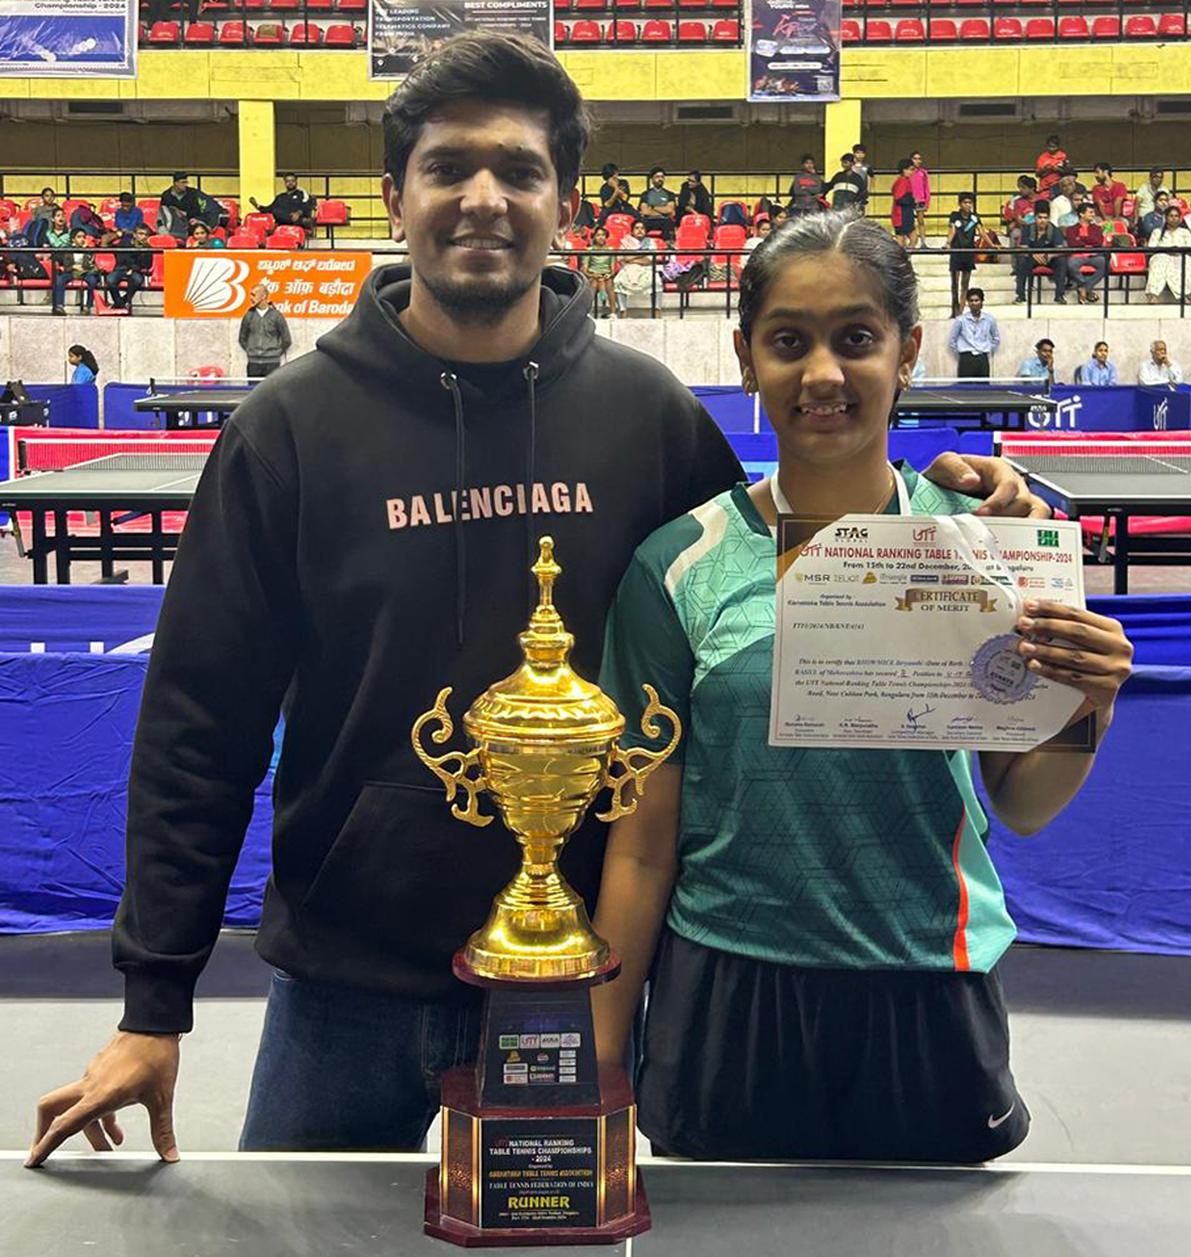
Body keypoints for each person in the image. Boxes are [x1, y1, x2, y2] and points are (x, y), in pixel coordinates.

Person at [24, 32, 1043, 1170]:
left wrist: (951, 525)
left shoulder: (650, 418)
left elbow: (774, 595)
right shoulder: (287, 431)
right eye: (448, 167)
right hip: (344, 987)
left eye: (519, 170)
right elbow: (197, 726)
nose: (484, 198)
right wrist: (151, 1003)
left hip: (581, 979)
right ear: (394, 196)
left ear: (564, 203)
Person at [590, 209, 1133, 1163]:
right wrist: (596, 1055)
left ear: (907, 352)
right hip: (728, 987)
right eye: (788, 342)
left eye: (856, 339)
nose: (824, 374)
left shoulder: (991, 542)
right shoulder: (676, 567)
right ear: (746, 358)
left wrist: (1091, 703)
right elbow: (641, 846)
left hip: (928, 978)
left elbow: (1024, 803)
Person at [1144, 206, 1191, 306]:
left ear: (1180, 218)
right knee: (1158, 261)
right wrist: (1167, 250)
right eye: (1171, 216)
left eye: (1176, 216)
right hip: (1162, 256)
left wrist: (1178, 250)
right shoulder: (1157, 232)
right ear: (1166, 217)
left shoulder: (1185, 232)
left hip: (1180, 256)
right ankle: (1153, 295)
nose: (1174, 218)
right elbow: (1151, 249)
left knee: (1187, 261)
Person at [1015, 202, 1066, 304]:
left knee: (1061, 261)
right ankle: (1021, 296)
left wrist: (1050, 255)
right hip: (1032, 257)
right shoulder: (1027, 229)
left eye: (1045, 218)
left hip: (1049, 258)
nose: (1042, 220)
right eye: (1040, 217)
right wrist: (1033, 254)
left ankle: (1059, 296)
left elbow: (1060, 249)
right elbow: (1023, 247)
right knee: (1021, 261)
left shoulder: (1054, 230)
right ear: (1035, 217)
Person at [238, 283, 293, 377]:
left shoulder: (276, 316)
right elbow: (242, 338)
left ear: (263, 296)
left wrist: (275, 353)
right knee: (254, 387)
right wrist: (251, 351)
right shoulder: (249, 315)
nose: (251, 298)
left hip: (272, 364)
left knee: (272, 387)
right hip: (253, 363)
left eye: (254, 295)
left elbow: (287, 340)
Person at [947, 287, 999, 379]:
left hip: (982, 358)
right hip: (966, 358)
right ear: (968, 303)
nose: (974, 303)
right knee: (965, 386)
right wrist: (962, 352)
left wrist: (986, 348)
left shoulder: (989, 319)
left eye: (976, 300)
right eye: (971, 301)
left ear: (982, 302)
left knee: (983, 386)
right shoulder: (961, 320)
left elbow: (996, 338)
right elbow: (952, 340)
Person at [612, 218, 658, 317]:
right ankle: (623, 311)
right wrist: (641, 254)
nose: (640, 230)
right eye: (637, 228)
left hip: (646, 268)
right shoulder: (625, 242)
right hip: (628, 268)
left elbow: (649, 260)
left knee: (657, 282)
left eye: (642, 228)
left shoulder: (650, 242)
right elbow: (622, 258)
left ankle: (657, 311)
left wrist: (631, 258)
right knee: (618, 281)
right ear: (632, 231)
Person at [51, 227, 103, 314]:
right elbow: (65, 265)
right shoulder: (67, 250)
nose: (82, 239)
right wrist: (73, 267)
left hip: (85, 272)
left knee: (92, 281)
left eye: (83, 237)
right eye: (79, 237)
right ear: (73, 239)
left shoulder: (89, 250)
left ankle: (88, 307)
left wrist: (86, 250)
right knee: (60, 280)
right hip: (71, 272)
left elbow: (90, 265)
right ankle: (59, 306)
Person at [1064, 202, 1108, 304]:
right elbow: (1073, 243)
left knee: (1105, 264)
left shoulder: (1097, 229)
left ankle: (1084, 288)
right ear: (1081, 214)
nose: (1093, 214)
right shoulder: (1071, 229)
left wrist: (1082, 239)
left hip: (1094, 255)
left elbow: (1098, 242)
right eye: (1090, 212)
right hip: (1077, 256)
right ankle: (1086, 288)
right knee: (1070, 264)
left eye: (1093, 212)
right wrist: (1089, 242)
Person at [946, 192, 981, 313]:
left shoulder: (975, 217)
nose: (968, 205)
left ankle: (960, 311)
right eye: (965, 202)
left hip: (969, 252)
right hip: (956, 251)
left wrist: (992, 245)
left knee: (965, 284)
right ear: (960, 204)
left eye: (970, 202)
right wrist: (947, 243)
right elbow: (952, 230)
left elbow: (981, 231)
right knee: (954, 284)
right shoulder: (954, 216)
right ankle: (954, 310)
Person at [106, 223, 154, 309]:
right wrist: (130, 267)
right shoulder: (124, 243)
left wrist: (134, 268)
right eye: (141, 234)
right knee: (110, 279)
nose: (144, 237)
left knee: (137, 280)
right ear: (134, 234)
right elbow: (120, 259)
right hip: (121, 269)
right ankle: (119, 302)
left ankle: (124, 301)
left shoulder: (148, 248)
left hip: (136, 271)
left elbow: (148, 264)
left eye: (146, 234)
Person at [250, 173, 316, 234]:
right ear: (285, 182)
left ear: (296, 181)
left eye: (292, 181)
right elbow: (269, 209)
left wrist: (299, 213)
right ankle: (298, 221)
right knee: (275, 211)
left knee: (302, 217)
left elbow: (308, 205)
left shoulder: (302, 193)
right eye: (288, 181)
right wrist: (257, 206)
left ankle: (301, 221)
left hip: (297, 219)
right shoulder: (280, 197)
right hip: (284, 221)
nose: (290, 183)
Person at [582, 223, 616, 316]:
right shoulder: (589, 250)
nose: (601, 237)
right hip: (593, 275)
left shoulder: (611, 250)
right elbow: (585, 270)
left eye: (603, 235)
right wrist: (593, 275)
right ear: (594, 237)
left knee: (609, 284)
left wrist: (609, 275)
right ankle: (588, 312)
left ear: (606, 237)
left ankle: (613, 313)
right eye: (598, 235)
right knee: (594, 283)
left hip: (606, 275)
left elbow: (612, 269)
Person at [637, 167, 675, 238]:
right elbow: (645, 211)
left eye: (662, 177)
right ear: (652, 179)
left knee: (669, 224)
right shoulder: (645, 194)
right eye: (657, 177)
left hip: (664, 220)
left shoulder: (670, 194)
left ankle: (666, 244)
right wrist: (663, 210)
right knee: (641, 225)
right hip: (649, 220)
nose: (660, 179)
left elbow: (669, 210)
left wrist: (652, 207)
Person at [597, 162, 635, 227]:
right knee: (603, 215)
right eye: (611, 176)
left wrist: (616, 187)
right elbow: (607, 205)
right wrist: (615, 192)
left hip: (624, 207)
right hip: (611, 209)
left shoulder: (623, 183)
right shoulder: (604, 188)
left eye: (615, 174)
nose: (615, 177)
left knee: (636, 214)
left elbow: (625, 198)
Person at [890, 158, 916, 249]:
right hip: (901, 214)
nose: (910, 172)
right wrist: (912, 200)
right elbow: (899, 198)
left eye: (912, 170)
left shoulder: (905, 180)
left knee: (911, 239)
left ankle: (905, 255)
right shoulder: (902, 181)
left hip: (906, 213)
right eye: (908, 169)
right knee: (902, 240)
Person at [909, 151, 931, 248]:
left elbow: (926, 187)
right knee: (909, 222)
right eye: (915, 158)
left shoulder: (923, 172)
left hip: (920, 200)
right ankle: (911, 242)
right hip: (910, 200)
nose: (917, 161)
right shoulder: (908, 172)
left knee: (921, 221)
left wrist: (927, 201)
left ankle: (923, 242)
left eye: (919, 159)